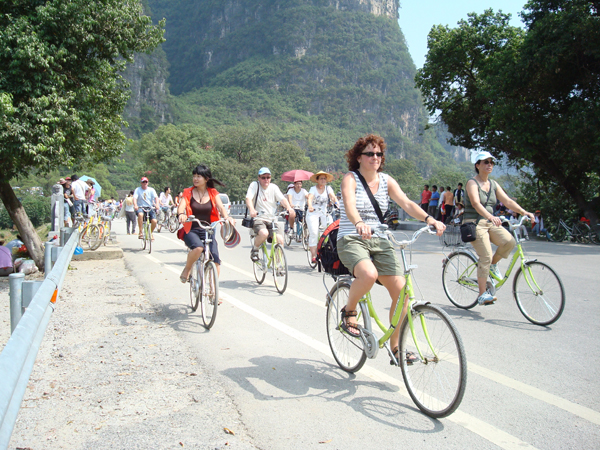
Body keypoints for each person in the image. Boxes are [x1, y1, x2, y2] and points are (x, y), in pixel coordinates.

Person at [337, 134, 445, 364]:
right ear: (358, 157)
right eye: (369, 153)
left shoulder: (387, 181)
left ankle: (396, 348)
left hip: (380, 240)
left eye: (378, 154)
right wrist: (358, 223)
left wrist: (429, 219)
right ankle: (349, 311)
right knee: (368, 274)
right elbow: (349, 205)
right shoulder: (351, 178)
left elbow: (407, 203)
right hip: (352, 237)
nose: (375, 158)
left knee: (402, 291)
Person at [464, 150, 535, 306]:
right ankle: (482, 294)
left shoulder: (493, 184)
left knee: (509, 242)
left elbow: (508, 201)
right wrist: (490, 216)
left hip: (490, 222)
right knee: (486, 256)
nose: (489, 165)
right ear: (478, 165)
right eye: (485, 162)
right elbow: (475, 203)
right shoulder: (472, 183)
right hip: (474, 223)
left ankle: (492, 266)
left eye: (491, 162)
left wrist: (524, 212)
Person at [178, 164, 235, 282]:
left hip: (208, 230)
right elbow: (181, 206)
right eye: (194, 176)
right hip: (192, 229)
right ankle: (187, 269)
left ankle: (214, 291)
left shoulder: (213, 193)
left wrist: (227, 217)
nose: (195, 179)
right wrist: (181, 214)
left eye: (199, 176)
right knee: (198, 248)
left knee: (215, 259)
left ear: (206, 179)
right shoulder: (188, 192)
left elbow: (221, 207)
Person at [245, 167, 296, 261]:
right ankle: (255, 250)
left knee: (280, 240)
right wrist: (252, 209)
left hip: (272, 219)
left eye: (268, 177)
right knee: (264, 233)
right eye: (263, 177)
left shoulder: (273, 187)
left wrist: (288, 208)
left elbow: (282, 199)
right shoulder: (254, 185)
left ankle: (278, 265)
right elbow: (248, 198)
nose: (266, 180)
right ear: (259, 178)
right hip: (259, 218)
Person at [306, 171, 338, 263]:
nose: (323, 180)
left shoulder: (328, 189)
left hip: (324, 213)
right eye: (321, 178)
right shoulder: (313, 189)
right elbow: (310, 198)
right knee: (314, 233)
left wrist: (337, 204)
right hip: (313, 213)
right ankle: (313, 255)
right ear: (317, 180)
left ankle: (326, 247)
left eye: (325, 178)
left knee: (330, 229)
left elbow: (333, 197)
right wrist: (310, 206)